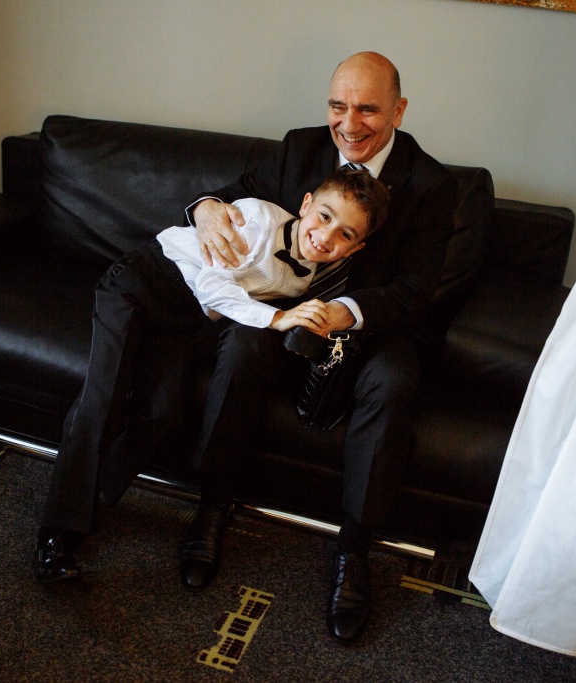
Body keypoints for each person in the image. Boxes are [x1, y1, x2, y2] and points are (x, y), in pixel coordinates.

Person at [180, 51, 462, 644]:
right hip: (289, 308)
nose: (349, 124)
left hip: (374, 323)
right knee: (241, 345)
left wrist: (345, 312)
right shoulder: (300, 147)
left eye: (368, 110)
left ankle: (355, 549)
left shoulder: (433, 184)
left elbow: (414, 292)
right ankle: (213, 504)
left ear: (399, 111)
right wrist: (205, 211)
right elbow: (232, 196)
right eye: (338, 106)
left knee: (394, 384)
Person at [34, 167, 390, 584]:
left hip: (181, 321)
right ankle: (59, 533)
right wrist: (279, 317)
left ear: (355, 248)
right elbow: (213, 287)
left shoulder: (307, 277)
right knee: (104, 397)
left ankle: (93, 496)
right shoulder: (256, 219)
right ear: (306, 203)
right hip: (142, 284)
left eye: (345, 234)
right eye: (325, 216)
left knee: (160, 413)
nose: (326, 236)